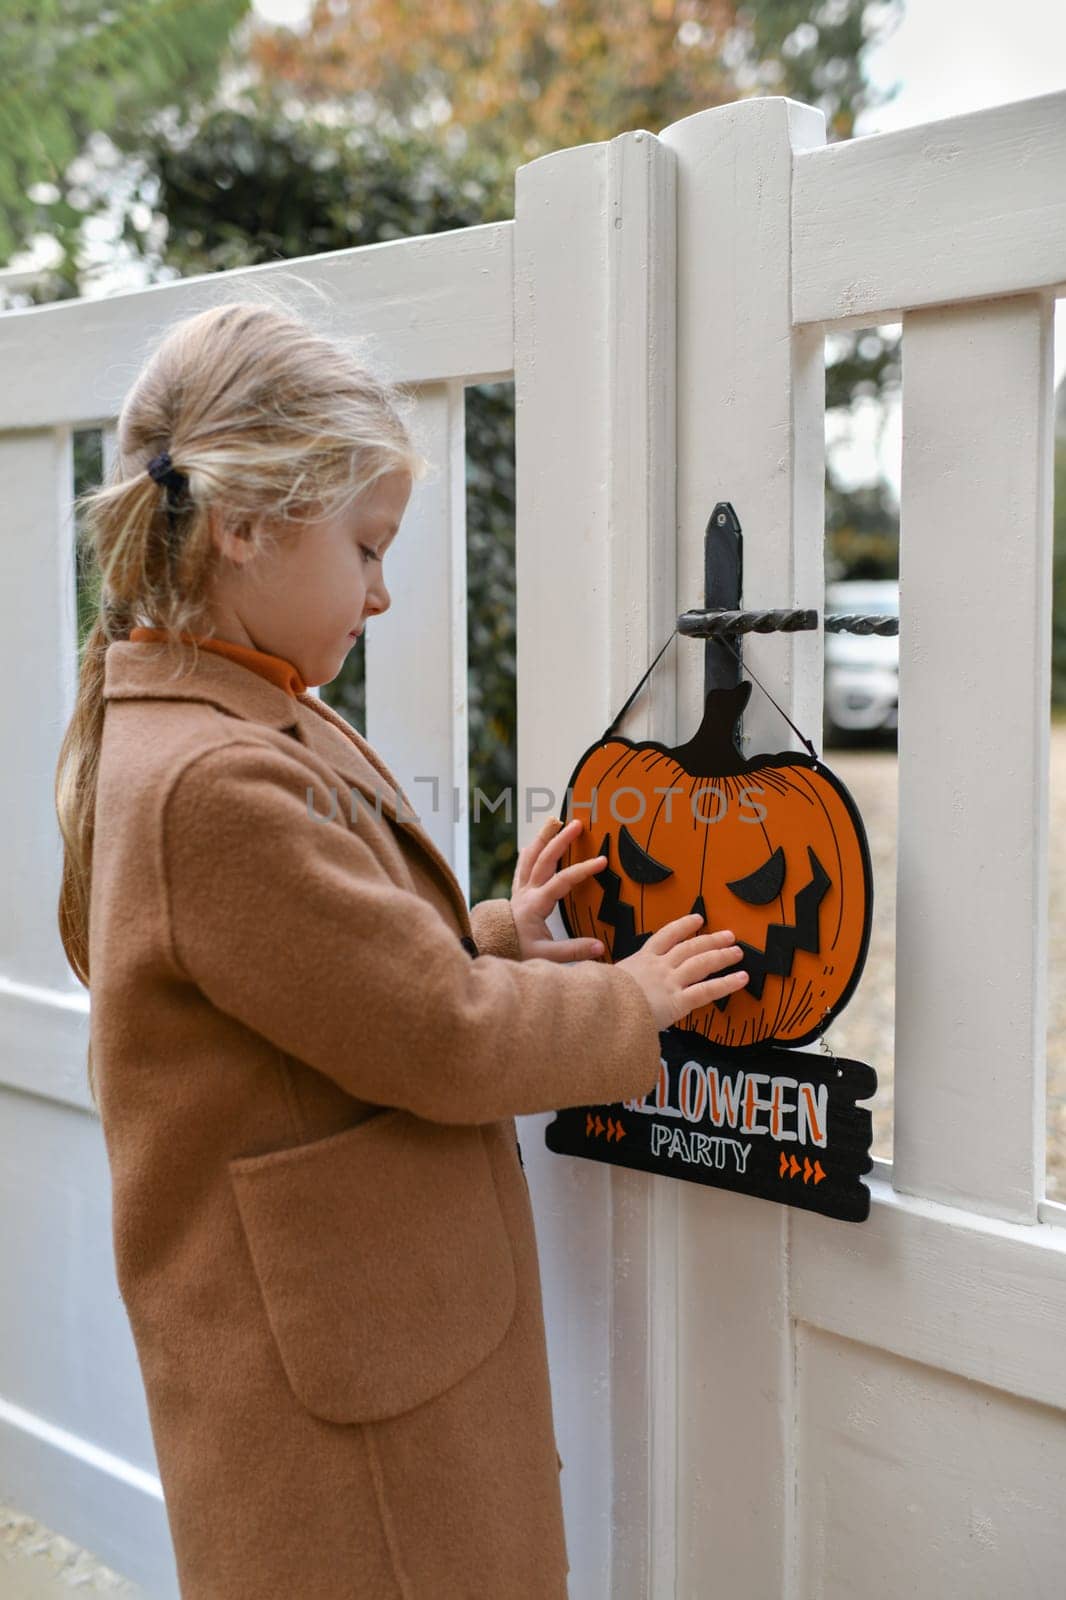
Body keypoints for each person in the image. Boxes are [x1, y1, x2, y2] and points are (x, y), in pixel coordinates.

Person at [54, 291, 750, 1599]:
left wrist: (487, 935)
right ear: (251, 529)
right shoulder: (212, 777)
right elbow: (435, 1037)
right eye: (367, 548)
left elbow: (307, 977)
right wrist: (633, 1001)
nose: (381, 592)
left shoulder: (227, 711)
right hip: (337, 1408)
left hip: (356, 1343)